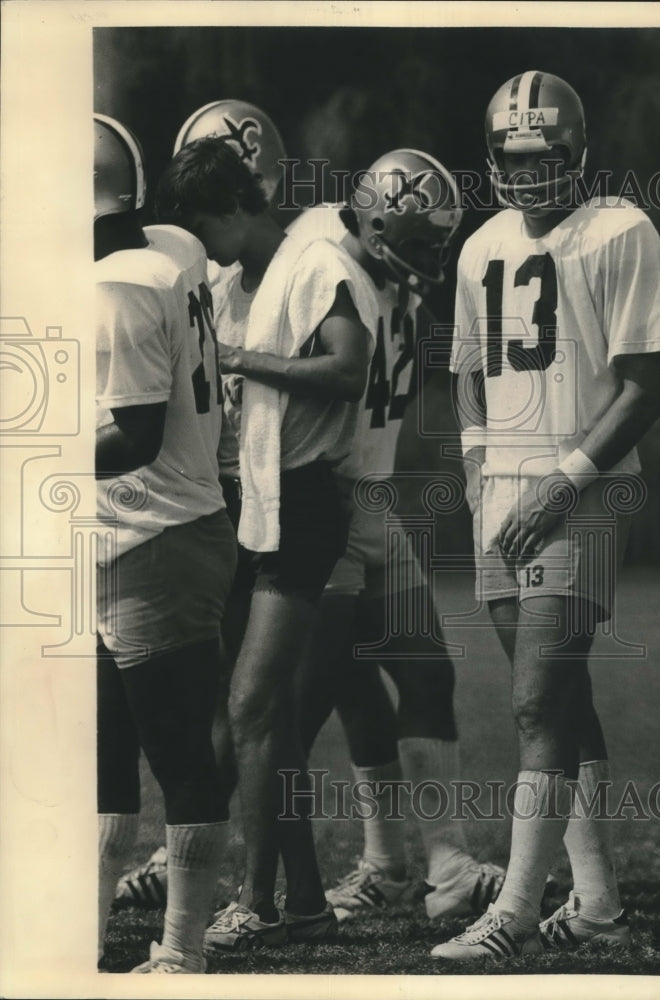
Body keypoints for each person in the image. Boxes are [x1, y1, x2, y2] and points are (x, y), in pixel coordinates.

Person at [431, 70, 660, 961]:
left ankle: (518, 911)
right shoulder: (480, 241)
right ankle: (601, 904)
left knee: (534, 701)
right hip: (500, 488)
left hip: (581, 487)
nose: (530, 174)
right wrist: (471, 463)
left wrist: (561, 483)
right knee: (559, 700)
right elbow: (464, 368)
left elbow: (641, 387)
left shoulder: (620, 229)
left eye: (546, 156)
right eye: (514, 156)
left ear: (578, 154)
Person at [156, 135, 379, 951]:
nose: (202, 246)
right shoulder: (225, 277)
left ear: (236, 211)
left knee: (251, 708)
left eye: (206, 226)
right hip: (245, 504)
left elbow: (349, 368)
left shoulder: (316, 260)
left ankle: (255, 900)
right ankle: (308, 905)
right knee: (260, 719)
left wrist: (245, 358)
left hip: (305, 502)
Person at [286, 151, 505, 922]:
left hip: (372, 501)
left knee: (425, 675)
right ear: (377, 223)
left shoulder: (388, 280)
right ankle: (260, 883)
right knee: (303, 704)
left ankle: (437, 864)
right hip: (324, 504)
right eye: (418, 244)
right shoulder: (318, 258)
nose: (431, 262)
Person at [114, 100, 290, 908]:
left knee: (224, 718)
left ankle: (240, 903)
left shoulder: (148, 265)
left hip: (206, 509)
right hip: (215, 501)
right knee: (226, 713)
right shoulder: (185, 256)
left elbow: (137, 431)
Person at [94, 114, 237, 973]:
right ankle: (83, 932)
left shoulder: (116, 282)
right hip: (136, 532)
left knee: (176, 749)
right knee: (102, 749)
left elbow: (136, 436)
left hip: (159, 533)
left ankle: (182, 953)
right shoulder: (173, 245)